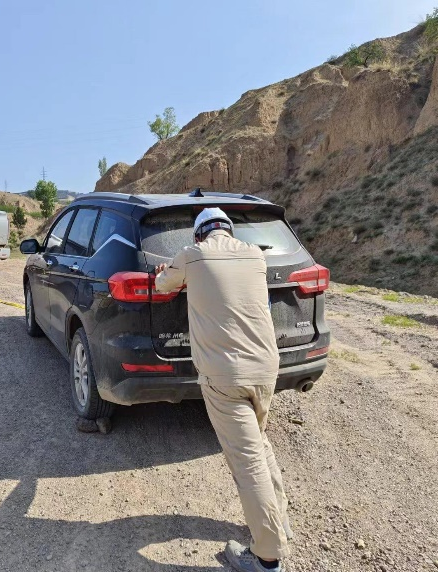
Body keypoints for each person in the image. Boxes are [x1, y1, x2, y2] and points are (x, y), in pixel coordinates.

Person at [154, 207, 290, 572]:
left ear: (198, 235)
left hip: (225, 377)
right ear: (229, 231)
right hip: (266, 369)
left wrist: (166, 271)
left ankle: (267, 558)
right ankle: (279, 523)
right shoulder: (255, 255)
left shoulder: (192, 255)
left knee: (247, 463)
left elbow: (163, 284)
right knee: (259, 444)